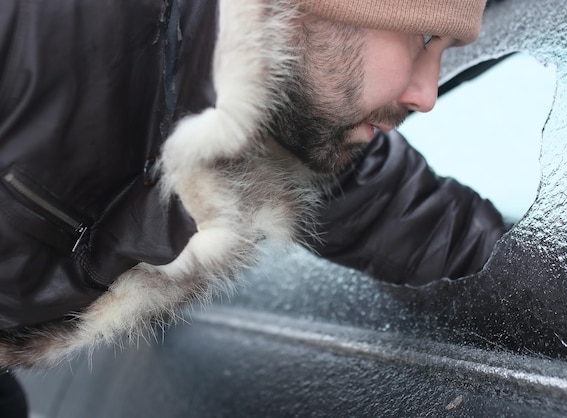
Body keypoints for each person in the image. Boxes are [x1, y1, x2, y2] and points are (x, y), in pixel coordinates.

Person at [0, 0, 504, 370]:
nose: (427, 93)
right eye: (424, 40)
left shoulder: (291, 113)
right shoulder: (33, 28)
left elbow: (417, 220)